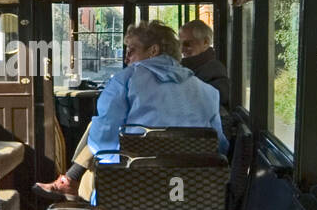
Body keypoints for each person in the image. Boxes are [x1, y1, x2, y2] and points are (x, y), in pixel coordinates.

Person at [35, 20, 227, 200]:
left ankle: (77, 208)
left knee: (87, 180)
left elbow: (103, 142)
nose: (126, 59)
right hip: (191, 191)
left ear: (153, 51)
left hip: (133, 190)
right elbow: (219, 145)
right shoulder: (207, 92)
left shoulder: (125, 82)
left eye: (131, 51)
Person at [178, 19, 231, 111]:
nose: (182, 50)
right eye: (180, 44)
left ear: (205, 42)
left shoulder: (214, 68)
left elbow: (218, 97)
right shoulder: (188, 67)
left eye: (187, 44)